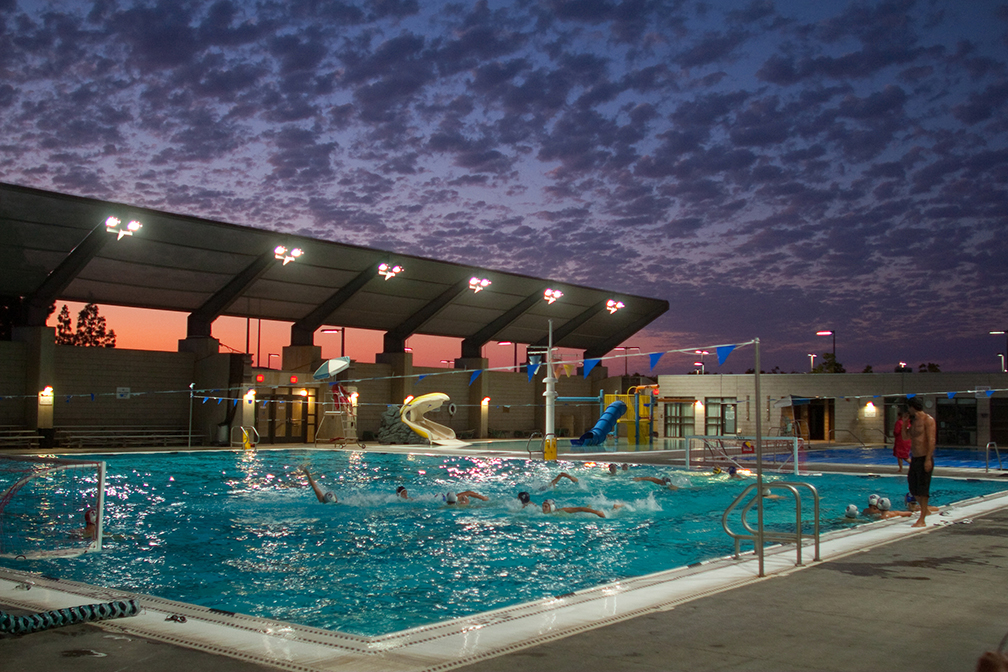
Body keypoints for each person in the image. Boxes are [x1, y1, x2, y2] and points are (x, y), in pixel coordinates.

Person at [903, 396, 937, 527]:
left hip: (924, 458)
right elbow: (905, 437)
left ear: (912, 407)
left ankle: (922, 519)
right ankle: (925, 510)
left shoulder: (927, 420)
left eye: (908, 408)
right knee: (912, 486)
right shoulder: (913, 421)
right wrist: (905, 423)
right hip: (915, 458)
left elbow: (931, 440)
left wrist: (928, 459)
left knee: (923, 489)